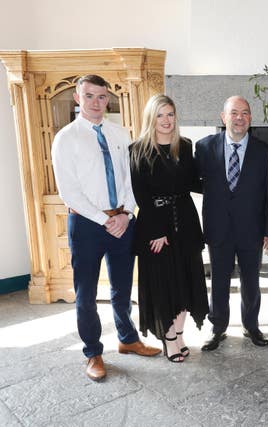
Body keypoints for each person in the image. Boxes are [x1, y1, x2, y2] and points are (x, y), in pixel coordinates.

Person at [51, 75, 160, 382]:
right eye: (89, 96)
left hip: (123, 221)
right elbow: (69, 193)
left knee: (122, 288)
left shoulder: (119, 132)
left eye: (101, 97)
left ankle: (127, 338)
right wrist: (105, 220)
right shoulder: (66, 138)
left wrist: (126, 213)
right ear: (77, 97)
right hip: (86, 225)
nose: (96, 102)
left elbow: (129, 178)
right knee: (85, 293)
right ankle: (93, 352)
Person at [129, 94, 209, 363]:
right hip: (156, 227)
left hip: (185, 222)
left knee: (186, 280)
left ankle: (180, 333)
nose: (166, 120)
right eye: (160, 115)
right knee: (165, 283)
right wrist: (156, 231)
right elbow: (141, 195)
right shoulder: (138, 149)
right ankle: (169, 338)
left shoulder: (184, 146)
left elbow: (194, 182)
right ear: (152, 118)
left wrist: (227, 185)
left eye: (170, 114)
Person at [195, 96, 268, 351]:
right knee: (219, 280)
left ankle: (251, 325)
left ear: (250, 118)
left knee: (251, 280)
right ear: (223, 117)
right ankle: (217, 327)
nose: (239, 118)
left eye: (245, 113)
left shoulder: (264, 152)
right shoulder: (204, 147)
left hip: (251, 229)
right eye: (234, 113)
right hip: (218, 227)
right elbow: (196, 182)